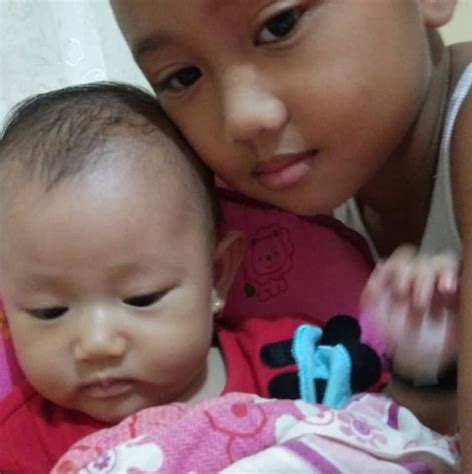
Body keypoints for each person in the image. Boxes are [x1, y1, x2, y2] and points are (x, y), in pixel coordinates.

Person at [110, 0, 472, 468]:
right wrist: (425, 376)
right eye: (183, 77)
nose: (242, 118)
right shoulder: (250, 208)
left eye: (280, 26)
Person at [0, 82, 382, 472]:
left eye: (142, 298)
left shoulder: (296, 362)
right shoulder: (18, 444)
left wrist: (414, 361)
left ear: (217, 275)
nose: (97, 344)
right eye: (49, 311)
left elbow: (392, 434)